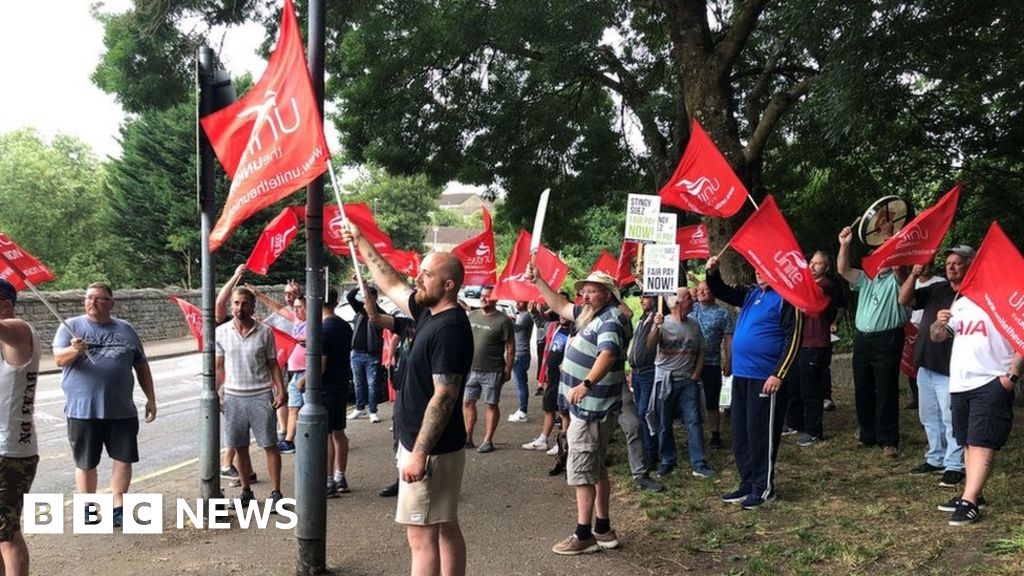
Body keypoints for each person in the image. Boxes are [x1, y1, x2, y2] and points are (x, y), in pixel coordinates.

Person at [342, 223, 473, 576]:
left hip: (428, 449)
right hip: (427, 445)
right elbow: (390, 282)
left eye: (426, 274)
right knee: (444, 526)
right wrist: (361, 241)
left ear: (448, 285)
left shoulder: (449, 329)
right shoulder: (430, 312)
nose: (418, 277)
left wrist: (418, 453)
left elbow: (445, 396)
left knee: (421, 539)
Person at [526, 267, 629, 556]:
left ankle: (583, 535)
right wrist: (538, 281)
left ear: (606, 294)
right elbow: (559, 304)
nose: (585, 293)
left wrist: (586, 383)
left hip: (592, 408)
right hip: (591, 407)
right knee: (596, 468)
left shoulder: (609, 320)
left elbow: (607, 354)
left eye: (592, 289)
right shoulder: (590, 313)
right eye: (584, 288)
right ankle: (603, 528)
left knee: (583, 470)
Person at [52, 282, 157, 527]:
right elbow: (58, 359)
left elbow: (141, 365)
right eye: (89, 298)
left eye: (99, 298)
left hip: (121, 408)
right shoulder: (71, 327)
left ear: (111, 303)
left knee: (123, 458)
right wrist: (75, 350)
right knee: (86, 462)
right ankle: (88, 507)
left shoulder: (126, 329)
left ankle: (119, 506)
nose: (92, 302)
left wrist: (151, 398)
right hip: (83, 409)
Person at [706, 256, 801, 510]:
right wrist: (712, 273)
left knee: (761, 434)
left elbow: (793, 339)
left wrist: (779, 373)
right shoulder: (750, 294)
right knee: (742, 432)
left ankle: (764, 487)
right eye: (757, 269)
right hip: (743, 375)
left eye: (765, 269)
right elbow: (721, 290)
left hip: (765, 377)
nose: (760, 273)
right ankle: (748, 482)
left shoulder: (786, 298)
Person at [930, 297, 1022, 526]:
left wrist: (1011, 376)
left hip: (992, 381)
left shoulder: (1010, 299)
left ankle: (969, 500)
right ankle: (973, 493)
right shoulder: (962, 303)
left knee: (982, 441)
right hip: (961, 384)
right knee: (969, 441)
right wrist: (938, 324)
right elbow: (938, 337)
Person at [899, 247, 973, 487]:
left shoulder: (973, 295)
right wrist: (913, 274)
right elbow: (904, 299)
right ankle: (936, 457)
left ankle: (955, 464)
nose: (951, 266)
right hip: (926, 363)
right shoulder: (938, 289)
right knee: (929, 416)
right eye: (949, 262)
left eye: (957, 263)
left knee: (950, 417)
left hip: (950, 366)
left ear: (969, 266)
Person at [837, 226, 910, 457]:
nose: (880, 259)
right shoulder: (866, 278)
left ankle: (889, 440)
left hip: (887, 339)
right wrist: (845, 244)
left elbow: (899, 267)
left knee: (886, 389)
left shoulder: (899, 277)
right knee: (863, 388)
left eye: (885, 254)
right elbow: (842, 269)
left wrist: (891, 238)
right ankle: (867, 435)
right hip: (862, 339)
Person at [215, 287, 286, 508]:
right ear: (231, 305)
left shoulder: (265, 332)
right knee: (239, 446)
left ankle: (276, 493)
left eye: (245, 303)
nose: (239, 308)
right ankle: (246, 491)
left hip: (260, 395)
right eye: (236, 303)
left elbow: (273, 363)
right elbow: (219, 366)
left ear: (253, 306)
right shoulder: (222, 332)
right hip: (233, 397)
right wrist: (216, 391)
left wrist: (281, 390)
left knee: (269, 444)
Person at [648, 287, 714, 478]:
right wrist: (655, 327)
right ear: (678, 303)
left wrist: (696, 374)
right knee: (664, 422)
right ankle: (667, 460)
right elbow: (650, 346)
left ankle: (699, 463)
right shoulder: (663, 323)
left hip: (688, 381)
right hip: (665, 380)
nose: (693, 301)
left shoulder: (694, 325)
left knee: (694, 421)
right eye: (689, 299)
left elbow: (702, 350)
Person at [0, 279, 39, 575]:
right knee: (6, 530)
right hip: (8, 450)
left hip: (9, 452)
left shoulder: (19, 330)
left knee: (6, 534)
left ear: (6, 303)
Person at [300, 287, 354, 495]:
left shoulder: (322, 330)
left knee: (327, 435)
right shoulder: (343, 326)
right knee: (339, 433)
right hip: (341, 384)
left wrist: (303, 380)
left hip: (326, 387)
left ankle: (328, 480)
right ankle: (340, 477)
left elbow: (321, 365)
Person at [790, 251, 844, 447]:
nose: (812, 267)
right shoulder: (809, 283)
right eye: (811, 262)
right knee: (798, 385)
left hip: (816, 343)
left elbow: (809, 297)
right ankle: (798, 423)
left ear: (826, 268)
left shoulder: (825, 286)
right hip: (801, 342)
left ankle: (814, 431)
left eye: (818, 264)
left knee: (811, 389)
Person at [463, 286, 514, 453]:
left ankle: (488, 440)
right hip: (471, 369)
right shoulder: (472, 315)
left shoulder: (503, 320)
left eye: (487, 296)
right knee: (468, 402)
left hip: (492, 369)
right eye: (482, 296)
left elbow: (510, 346)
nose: (483, 299)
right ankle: (468, 437)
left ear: (496, 299)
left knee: (491, 404)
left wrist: (508, 368)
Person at [689, 281, 734, 448]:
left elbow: (729, 339)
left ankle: (715, 433)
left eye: (706, 289)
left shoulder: (723, 313)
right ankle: (694, 434)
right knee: (691, 401)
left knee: (712, 400)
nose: (702, 292)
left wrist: (729, 360)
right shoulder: (691, 309)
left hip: (712, 362)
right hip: (690, 363)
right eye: (699, 289)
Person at [628, 295, 661, 466]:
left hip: (649, 370)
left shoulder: (657, 316)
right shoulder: (642, 318)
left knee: (645, 412)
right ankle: (648, 449)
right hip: (637, 372)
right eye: (640, 298)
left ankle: (651, 452)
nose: (641, 301)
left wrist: (657, 322)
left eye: (645, 297)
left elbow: (650, 345)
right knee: (640, 413)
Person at [347, 285, 385, 423]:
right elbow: (350, 297)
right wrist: (360, 286)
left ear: (374, 298)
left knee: (372, 384)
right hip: (356, 353)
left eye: (369, 296)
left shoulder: (379, 313)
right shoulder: (361, 310)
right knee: (358, 383)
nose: (366, 299)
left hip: (372, 355)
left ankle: (373, 411)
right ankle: (359, 407)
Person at [508, 301, 533, 422]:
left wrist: (510, 321)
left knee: (521, 384)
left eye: (520, 301)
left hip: (521, 354)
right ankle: (521, 410)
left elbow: (517, 329)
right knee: (520, 383)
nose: (517, 303)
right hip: (520, 353)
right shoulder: (521, 315)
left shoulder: (526, 315)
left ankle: (522, 412)